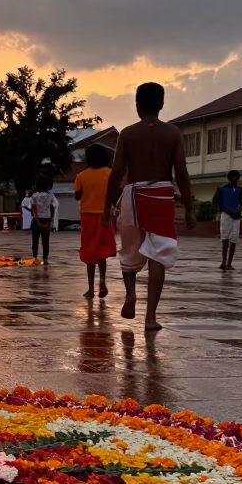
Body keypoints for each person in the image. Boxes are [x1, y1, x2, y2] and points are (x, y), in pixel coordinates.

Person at [103, 82, 196, 331]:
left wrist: (106, 208)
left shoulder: (128, 133)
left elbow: (115, 174)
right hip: (162, 195)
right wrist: (189, 207)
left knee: (130, 250)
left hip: (134, 196)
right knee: (159, 255)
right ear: (162, 104)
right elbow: (182, 173)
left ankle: (131, 293)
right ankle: (151, 317)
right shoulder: (173, 133)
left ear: (137, 105)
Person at [74, 144, 116, 297]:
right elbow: (115, 193)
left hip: (88, 217)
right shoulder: (110, 173)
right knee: (102, 251)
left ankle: (91, 288)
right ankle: (103, 281)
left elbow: (77, 196)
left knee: (89, 251)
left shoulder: (81, 176)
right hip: (105, 215)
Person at [212, 169, 242, 271]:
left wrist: (238, 212)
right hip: (226, 215)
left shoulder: (240, 190)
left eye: (236, 179)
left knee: (234, 239)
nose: (235, 181)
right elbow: (215, 203)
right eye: (233, 179)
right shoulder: (222, 189)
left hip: (236, 216)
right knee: (225, 238)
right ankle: (223, 261)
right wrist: (228, 211)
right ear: (229, 179)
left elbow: (241, 202)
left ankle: (229, 263)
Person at [29, 178, 57, 263]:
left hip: (37, 219)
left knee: (35, 240)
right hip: (47, 219)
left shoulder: (34, 196)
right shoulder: (50, 196)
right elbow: (52, 208)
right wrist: (50, 221)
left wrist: (37, 221)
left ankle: (34, 258)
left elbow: (33, 209)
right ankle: (45, 259)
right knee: (45, 241)